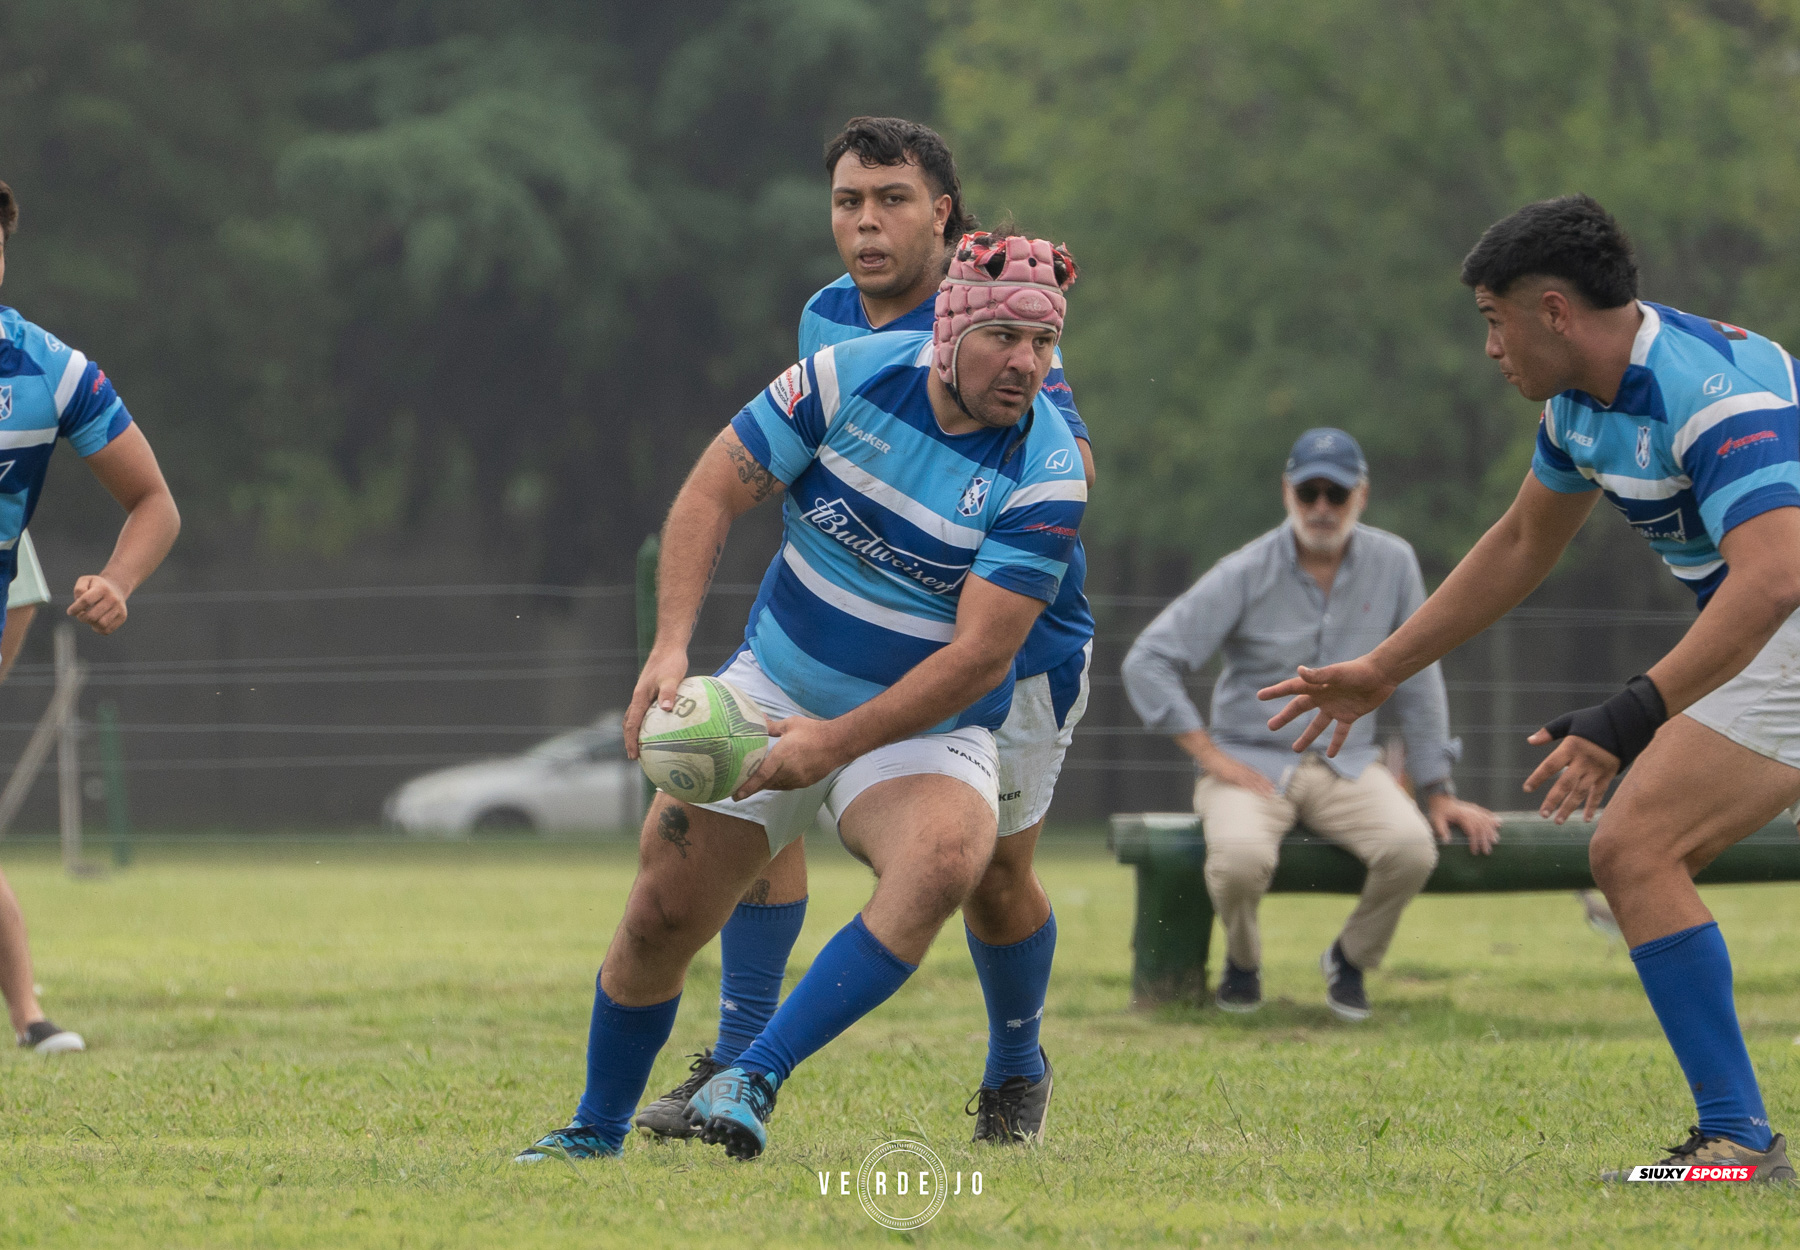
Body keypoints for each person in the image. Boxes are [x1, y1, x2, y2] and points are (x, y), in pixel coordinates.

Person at [514, 229, 1085, 1164]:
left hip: (923, 729)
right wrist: (670, 647)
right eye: (1003, 339)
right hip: (772, 686)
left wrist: (837, 740)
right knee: (662, 910)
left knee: (949, 860)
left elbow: (983, 658)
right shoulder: (844, 376)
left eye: (1043, 343)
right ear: (949, 330)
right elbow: (710, 494)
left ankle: (755, 1074)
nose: (1026, 364)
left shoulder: (1049, 471)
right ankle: (593, 1130)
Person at [1260, 194, 1799, 1180]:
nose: (1489, 348)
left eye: (1493, 319)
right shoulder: (1580, 406)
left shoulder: (1711, 395)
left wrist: (1629, 716)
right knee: (1642, 851)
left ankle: (1737, 1140)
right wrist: (1382, 669)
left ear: (1553, 311)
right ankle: (1737, 1137)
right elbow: (1519, 543)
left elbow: (1773, 580)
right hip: (1777, 626)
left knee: (1635, 847)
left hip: (1788, 619)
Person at [1122, 429, 1497, 1020]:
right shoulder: (1244, 569)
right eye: (1309, 492)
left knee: (1411, 849)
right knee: (1239, 858)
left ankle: (1349, 960)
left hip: (1349, 764)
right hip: (1250, 761)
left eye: (1336, 493)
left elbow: (1420, 679)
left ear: (1361, 495)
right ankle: (1243, 963)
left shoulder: (1394, 562)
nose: (1322, 506)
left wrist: (1439, 790)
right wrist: (1210, 756)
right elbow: (1148, 659)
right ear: (1287, 492)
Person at [0, 180, 181, 1054]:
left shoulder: (52, 371)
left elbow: (154, 502)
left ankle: (29, 1014)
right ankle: (30, 1016)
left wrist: (118, 580)